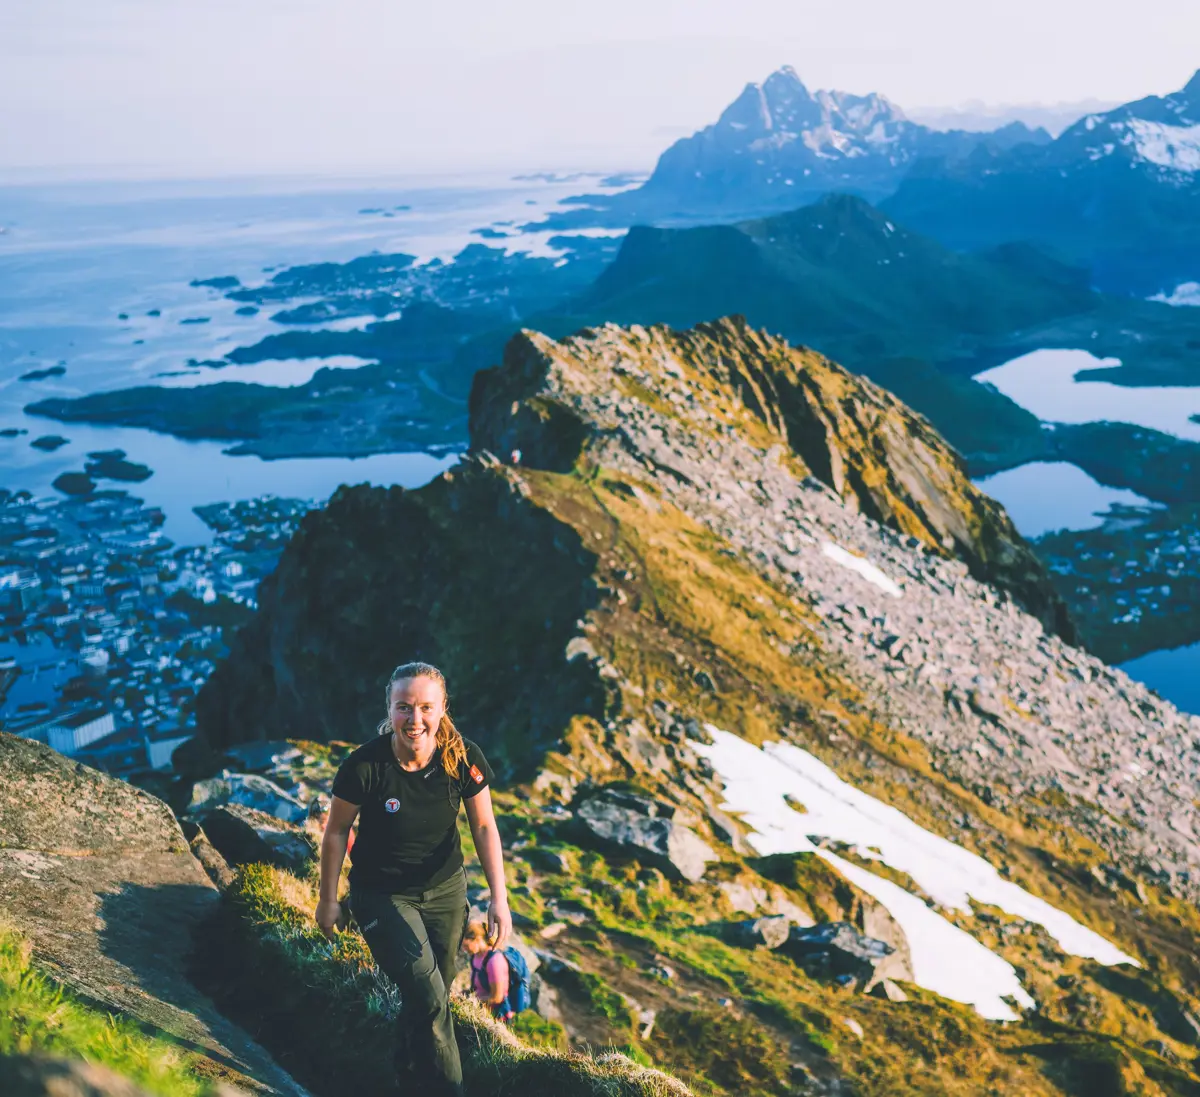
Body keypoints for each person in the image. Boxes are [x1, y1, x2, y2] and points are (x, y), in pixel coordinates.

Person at [315, 662, 511, 1097]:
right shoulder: (364, 766)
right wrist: (328, 900)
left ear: (443, 709)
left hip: (446, 893)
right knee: (431, 999)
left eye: (425, 707)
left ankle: (405, 1073)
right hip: (381, 896)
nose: (414, 719)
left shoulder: (462, 757)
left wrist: (499, 898)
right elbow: (335, 832)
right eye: (404, 707)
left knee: (430, 995)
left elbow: (483, 828)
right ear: (389, 708)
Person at [462, 922, 513, 1022]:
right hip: (482, 1009)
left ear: (477, 939)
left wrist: (472, 1002)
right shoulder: (476, 956)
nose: (464, 950)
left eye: (466, 946)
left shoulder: (494, 961)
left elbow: (497, 998)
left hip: (497, 1016)